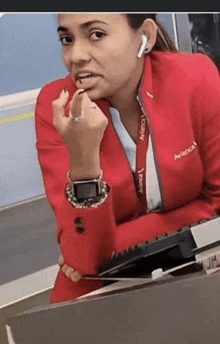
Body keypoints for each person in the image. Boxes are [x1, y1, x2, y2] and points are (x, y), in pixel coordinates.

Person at [35, 13, 220, 304]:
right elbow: (83, 258)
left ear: (145, 35)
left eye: (96, 35)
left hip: (196, 265)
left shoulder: (195, 77)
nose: (76, 55)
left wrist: (115, 244)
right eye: (67, 39)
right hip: (101, 289)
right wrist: (85, 166)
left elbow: (216, 201)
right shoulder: (57, 106)